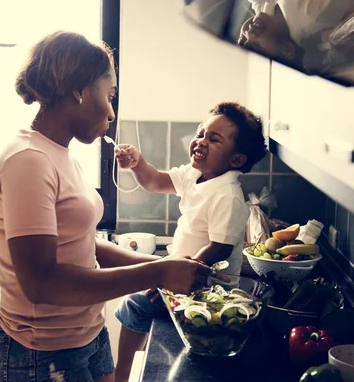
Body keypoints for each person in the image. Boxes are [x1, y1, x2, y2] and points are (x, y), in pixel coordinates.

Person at [0, 31, 211, 382]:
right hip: (38, 351)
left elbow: (82, 243)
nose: (111, 110)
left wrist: (162, 265)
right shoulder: (28, 161)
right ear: (79, 92)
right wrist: (157, 274)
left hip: (86, 335)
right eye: (110, 94)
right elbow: (41, 282)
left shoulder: (59, 154)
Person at [112, 102, 267, 381]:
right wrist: (137, 163)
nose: (201, 142)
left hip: (205, 287)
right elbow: (156, 181)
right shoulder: (194, 175)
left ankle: (120, 375)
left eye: (214, 139)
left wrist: (167, 279)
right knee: (136, 299)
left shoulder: (228, 195)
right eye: (201, 133)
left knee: (134, 303)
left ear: (236, 160)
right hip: (179, 276)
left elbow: (218, 249)